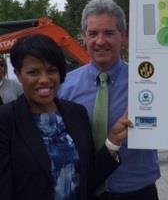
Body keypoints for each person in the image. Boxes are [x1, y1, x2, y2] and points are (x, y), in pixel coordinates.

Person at [0, 34, 132, 200]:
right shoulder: (6, 120)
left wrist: (113, 141)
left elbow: (88, 179)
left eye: (51, 71)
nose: (44, 80)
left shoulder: (76, 113)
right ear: (19, 75)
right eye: (33, 72)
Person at [58, 0, 161, 200]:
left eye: (109, 33)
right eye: (93, 33)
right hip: (85, 190)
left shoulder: (148, 82)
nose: (100, 41)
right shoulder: (64, 87)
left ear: (123, 37)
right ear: (83, 37)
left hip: (137, 191)